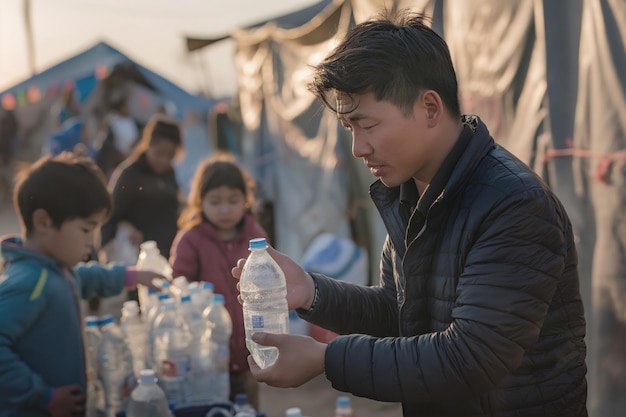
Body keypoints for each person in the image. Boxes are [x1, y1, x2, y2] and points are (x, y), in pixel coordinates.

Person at [231, 11, 587, 417]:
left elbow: (471, 358)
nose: (358, 148)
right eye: (349, 129)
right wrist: (312, 292)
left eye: (366, 125)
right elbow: (402, 315)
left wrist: (325, 359)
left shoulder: (513, 204)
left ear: (430, 109)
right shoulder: (409, 192)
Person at [0, 152, 163, 417]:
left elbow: (85, 278)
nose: (92, 242)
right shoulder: (30, 282)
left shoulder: (56, 268)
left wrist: (131, 276)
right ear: (44, 222)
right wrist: (43, 395)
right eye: (86, 230)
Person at [170, 151, 268, 409]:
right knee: (215, 410)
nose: (225, 209)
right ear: (199, 202)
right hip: (209, 359)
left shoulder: (254, 234)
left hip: (249, 353)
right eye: (215, 201)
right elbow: (178, 285)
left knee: (248, 408)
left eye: (233, 200)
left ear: (246, 200)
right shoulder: (192, 239)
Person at [100, 114, 182, 305]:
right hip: (141, 260)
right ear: (148, 144)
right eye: (159, 153)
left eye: (170, 156)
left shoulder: (169, 173)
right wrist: (107, 242)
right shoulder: (130, 174)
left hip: (169, 253)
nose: (164, 160)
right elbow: (110, 213)